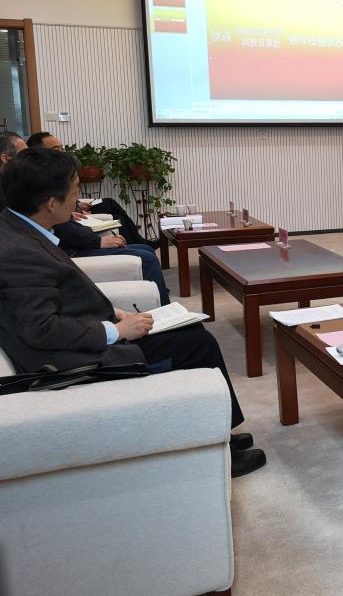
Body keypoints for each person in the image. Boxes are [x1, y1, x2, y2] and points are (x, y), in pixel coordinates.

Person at [0, 149, 265, 478]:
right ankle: (221, 452)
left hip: (84, 334)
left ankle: (219, 432)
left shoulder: (18, 228)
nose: (78, 200)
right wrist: (116, 331)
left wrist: (112, 313)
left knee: (193, 332)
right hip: (72, 361)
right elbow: (40, 328)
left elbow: (55, 298)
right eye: (74, 191)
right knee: (198, 345)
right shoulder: (19, 252)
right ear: (50, 203)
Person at [13, 134, 172, 304]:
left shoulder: (26, 204)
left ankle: (161, 296)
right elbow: (64, 232)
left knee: (144, 249)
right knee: (146, 258)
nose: (77, 199)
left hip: (72, 246)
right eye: (75, 190)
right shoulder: (20, 248)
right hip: (72, 252)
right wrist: (97, 241)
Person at [26, 131, 153, 247]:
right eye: (56, 149)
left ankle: (136, 242)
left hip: (76, 223)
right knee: (143, 251)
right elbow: (63, 229)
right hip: (76, 239)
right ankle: (137, 244)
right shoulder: (41, 181)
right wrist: (74, 210)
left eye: (61, 148)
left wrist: (76, 206)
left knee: (112, 207)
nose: (62, 152)